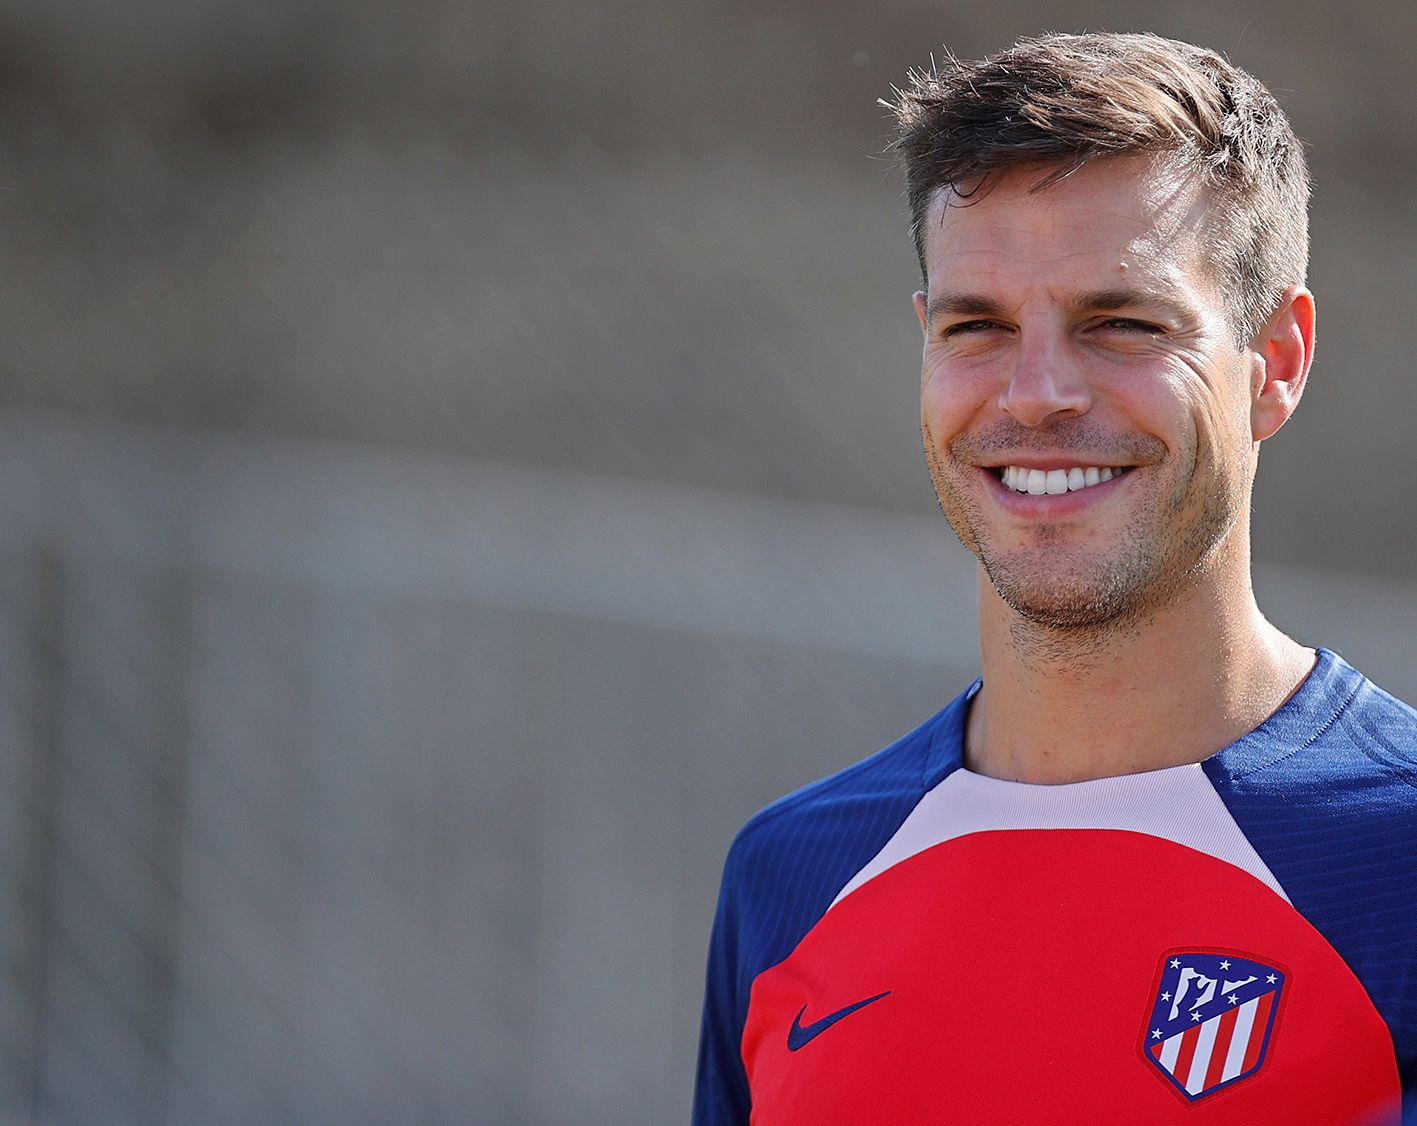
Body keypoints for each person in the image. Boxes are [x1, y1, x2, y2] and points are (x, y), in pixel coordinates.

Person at [693, 32, 1416, 1124]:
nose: (1034, 394)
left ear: (1275, 362)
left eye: (1121, 322)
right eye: (976, 326)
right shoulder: (791, 874)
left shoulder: (1396, 857)